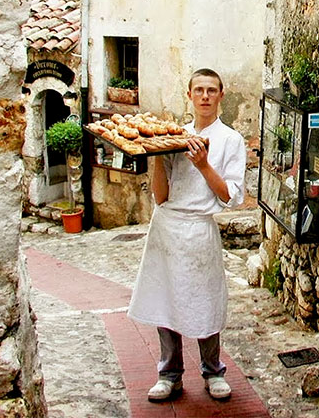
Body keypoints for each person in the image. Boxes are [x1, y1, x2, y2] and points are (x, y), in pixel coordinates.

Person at [127, 68, 246, 402]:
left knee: (203, 300)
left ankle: (213, 371)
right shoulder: (175, 135)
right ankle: (169, 374)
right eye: (199, 90)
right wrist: (156, 157)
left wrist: (205, 165)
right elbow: (160, 196)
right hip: (167, 226)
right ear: (189, 94)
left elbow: (230, 197)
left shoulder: (230, 141)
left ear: (221, 95)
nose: (205, 96)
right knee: (164, 301)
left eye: (211, 90)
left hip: (199, 228)